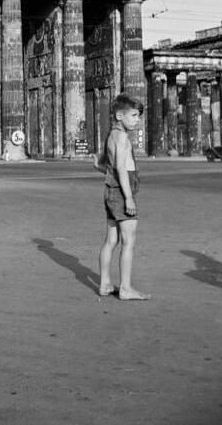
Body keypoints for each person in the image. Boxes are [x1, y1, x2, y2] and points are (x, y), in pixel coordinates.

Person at [92, 93, 150, 301]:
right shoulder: (123, 138)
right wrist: (129, 198)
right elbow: (122, 169)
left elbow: (102, 165)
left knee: (111, 240)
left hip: (110, 190)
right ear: (119, 115)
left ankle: (105, 284)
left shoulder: (111, 136)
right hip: (121, 192)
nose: (137, 120)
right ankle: (125, 288)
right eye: (134, 115)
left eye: (139, 116)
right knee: (129, 241)